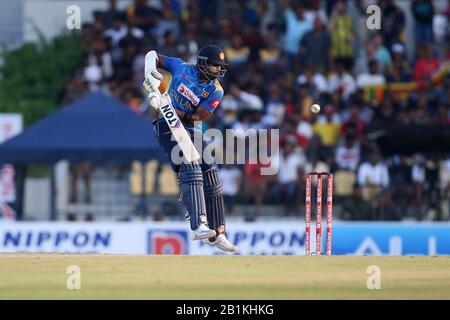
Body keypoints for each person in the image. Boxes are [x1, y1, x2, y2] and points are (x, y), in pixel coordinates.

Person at [142, 44, 238, 252]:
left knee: (211, 174)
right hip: (166, 125)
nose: (218, 71)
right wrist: (150, 71)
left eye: (221, 66)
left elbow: (197, 117)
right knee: (190, 163)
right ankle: (199, 225)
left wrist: (164, 103)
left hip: (191, 127)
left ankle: (217, 234)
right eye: (215, 66)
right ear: (202, 62)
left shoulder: (216, 90)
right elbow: (153, 55)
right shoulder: (180, 67)